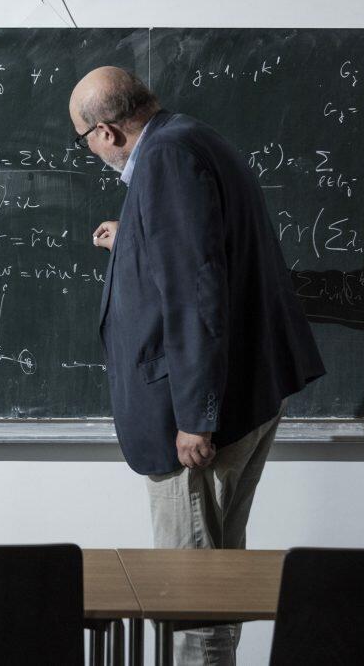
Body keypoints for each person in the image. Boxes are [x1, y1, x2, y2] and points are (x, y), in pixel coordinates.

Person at [69, 66, 326, 665]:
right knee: (218, 575)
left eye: (84, 141)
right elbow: (205, 247)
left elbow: (194, 291)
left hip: (202, 412)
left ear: (105, 132)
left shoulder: (165, 159)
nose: (92, 153)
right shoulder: (190, 137)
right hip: (247, 389)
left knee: (190, 593)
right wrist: (132, 235)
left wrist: (195, 416)